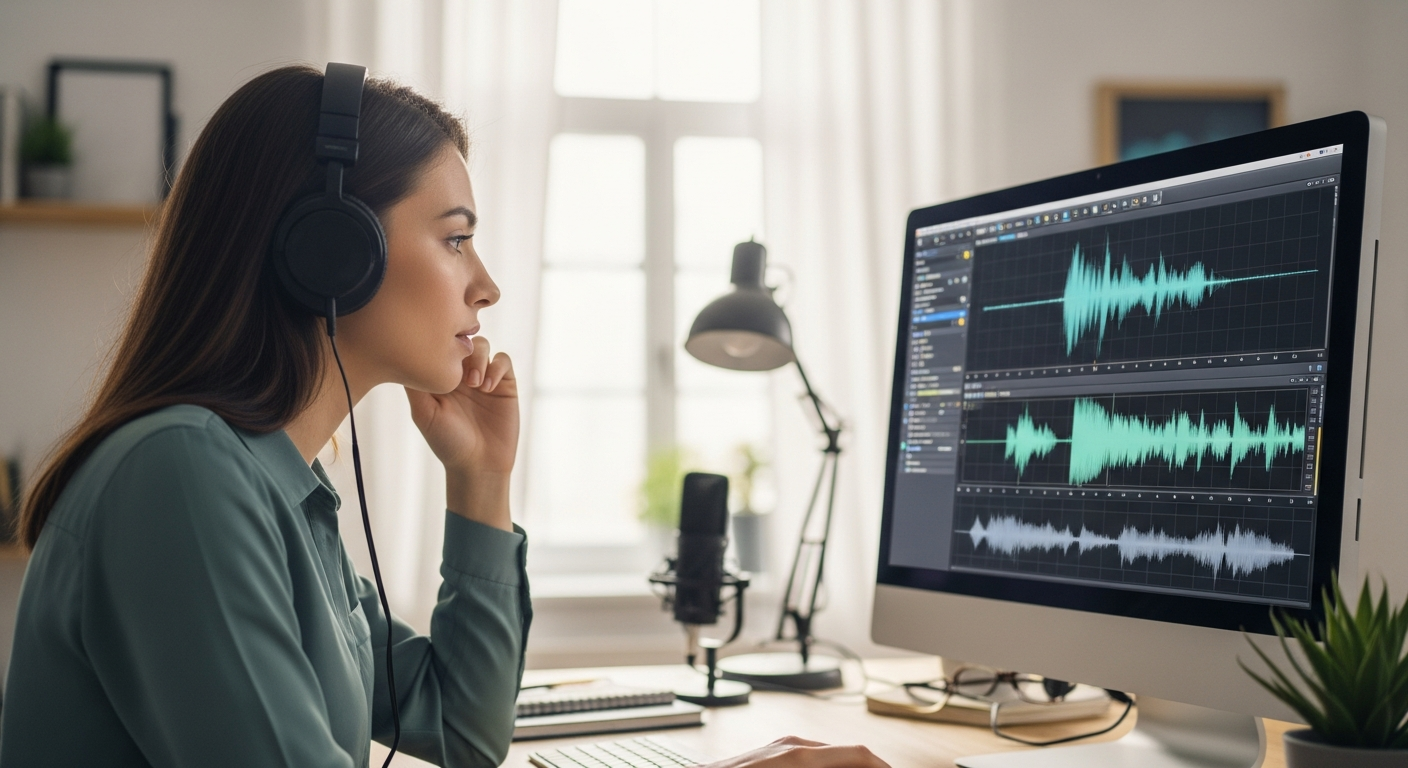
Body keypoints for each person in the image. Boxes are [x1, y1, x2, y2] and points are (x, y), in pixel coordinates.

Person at [0, 66, 889, 768]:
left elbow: (462, 731)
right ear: (332, 251)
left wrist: (481, 478)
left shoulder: (275, 483)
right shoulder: (181, 475)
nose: (486, 284)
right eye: (456, 237)